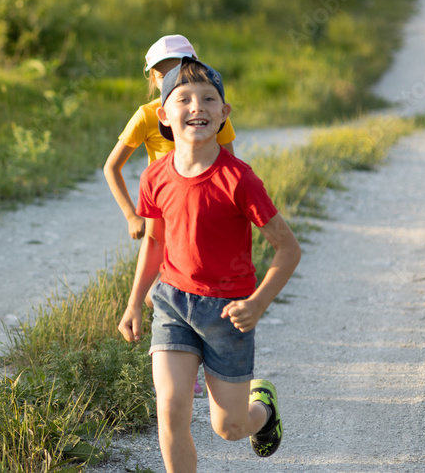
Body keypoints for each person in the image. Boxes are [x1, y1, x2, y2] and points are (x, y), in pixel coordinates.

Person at [117, 57, 301, 471]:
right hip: (172, 303)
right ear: (163, 114)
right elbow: (154, 241)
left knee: (230, 427)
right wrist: (133, 303)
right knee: (171, 409)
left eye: (208, 99)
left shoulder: (240, 180)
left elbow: (288, 249)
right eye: (183, 99)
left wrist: (257, 303)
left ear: (224, 114)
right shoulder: (155, 177)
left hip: (229, 312)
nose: (196, 107)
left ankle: (263, 410)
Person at [103, 34, 236, 397]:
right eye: (162, 73)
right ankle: (183, 357)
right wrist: (131, 214)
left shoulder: (211, 110)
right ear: (153, 80)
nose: (170, 77)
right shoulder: (148, 115)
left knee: (188, 284)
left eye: (178, 68)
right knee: (157, 291)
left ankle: (199, 358)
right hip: (161, 211)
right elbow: (111, 167)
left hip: (203, 209)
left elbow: (230, 161)